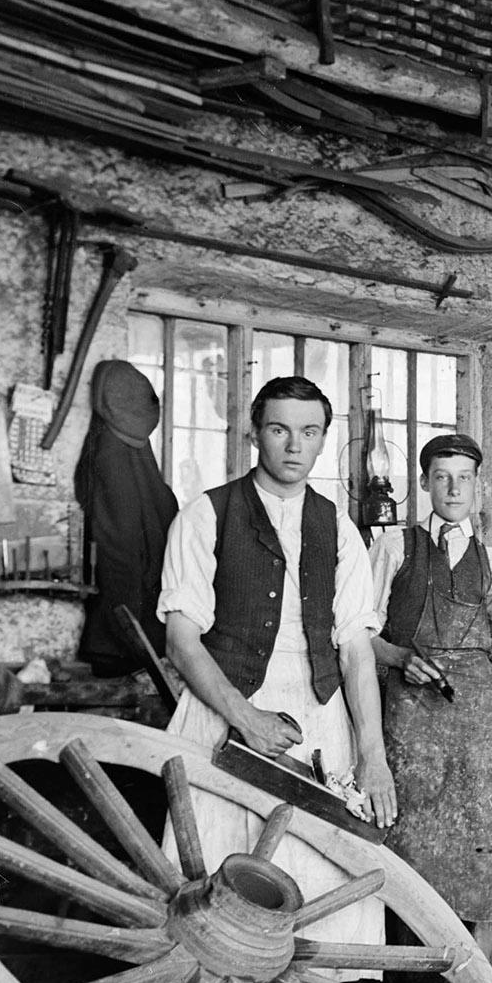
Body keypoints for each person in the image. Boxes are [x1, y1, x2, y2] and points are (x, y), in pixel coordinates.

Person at [159, 375, 394, 948]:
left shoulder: (337, 526)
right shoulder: (205, 515)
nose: (294, 446)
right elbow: (181, 641)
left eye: (309, 432)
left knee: (318, 868)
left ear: (322, 440)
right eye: (280, 430)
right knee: (213, 867)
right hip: (226, 702)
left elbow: (355, 647)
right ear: (255, 434)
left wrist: (373, 754)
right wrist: (244, 717)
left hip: (318, 713)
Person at [369, 432, 492, 974]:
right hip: (411, 718)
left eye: (464, 477)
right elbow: (358, 634)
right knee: (408, 846)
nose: (453, 488)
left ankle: (463, 980)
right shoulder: (395, 547)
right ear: (424, 483)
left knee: (473, 851)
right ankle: (407, 981)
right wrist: (398, 659)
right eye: (442, 477)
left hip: (476, 726)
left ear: (478, 486)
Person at [76, 360, 178, 680]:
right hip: (154, 632)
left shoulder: (106, 453)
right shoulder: (141, 457)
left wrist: (120, 631)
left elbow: (117, 548)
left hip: (121, 638)